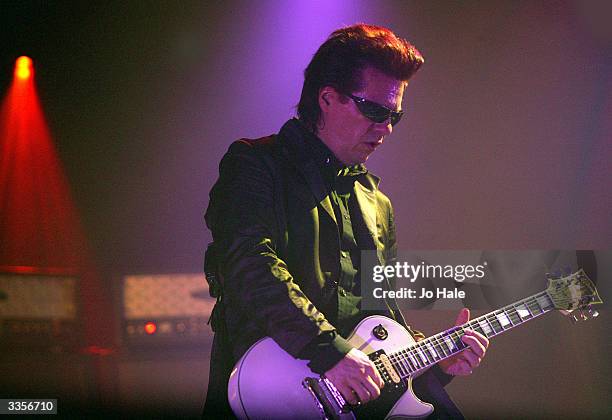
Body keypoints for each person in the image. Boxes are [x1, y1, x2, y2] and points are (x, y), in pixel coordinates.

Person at [203, 24, 488, 419]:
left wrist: (434, 360)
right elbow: (250, 265)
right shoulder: (255, 164)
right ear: (327, 98)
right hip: (269, 394)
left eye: (395, 116)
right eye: (374, 110)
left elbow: (380, 316)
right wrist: (329, 352)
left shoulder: (376, 202)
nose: (385, 128)